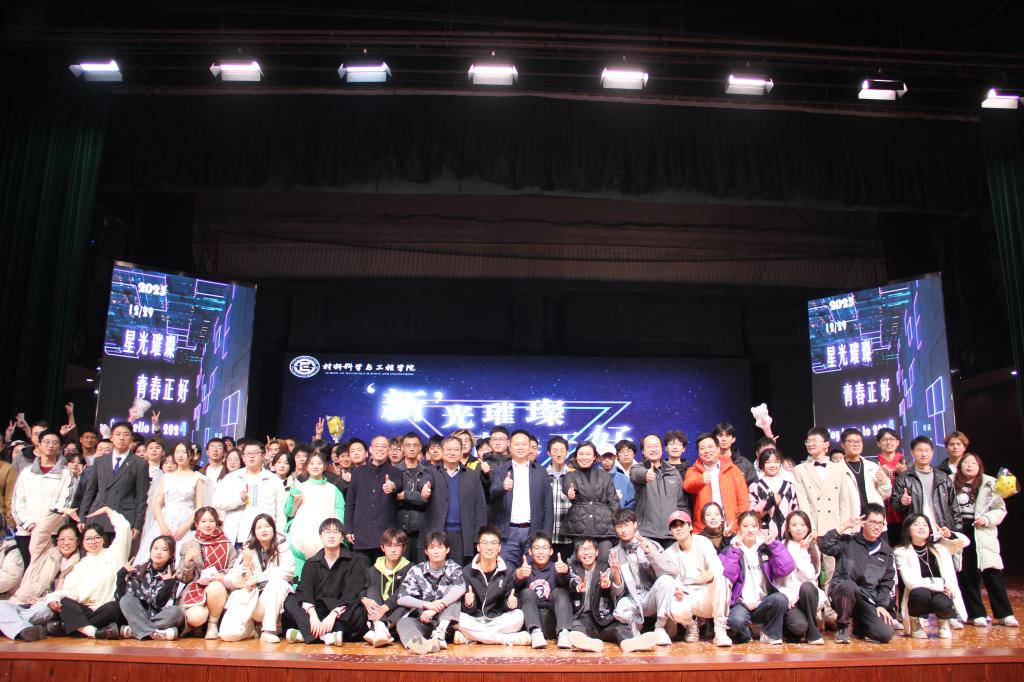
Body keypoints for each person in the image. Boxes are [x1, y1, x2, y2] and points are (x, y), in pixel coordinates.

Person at [792, 426, 858, 614]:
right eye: (808, 441)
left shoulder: (839, 468)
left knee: (832, 572)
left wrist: (843, 528)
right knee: (811, 572)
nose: (810, 444)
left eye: (815, 441)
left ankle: (831, 612)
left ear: (826, 445)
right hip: (812, 528)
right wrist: (809, 528)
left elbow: (844, 500)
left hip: (834, 528)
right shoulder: (800, 470)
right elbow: (802, 500)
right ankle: (813, 613)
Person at [44, 507, 132, 638]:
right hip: (85, 609)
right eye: (88, 539)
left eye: (97, 537)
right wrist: (52, 598)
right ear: (83, 542)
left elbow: (124, 528)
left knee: (115, 607)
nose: (92, 542)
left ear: (103, 539)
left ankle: (72, 628)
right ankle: (95, 632)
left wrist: (109, 511)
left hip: (105, 610)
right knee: (65, 603)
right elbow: (70, 593)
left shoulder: (114, 554)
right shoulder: (78, 566)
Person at [282, 517, 371, 645]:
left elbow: (352, 593)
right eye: (327, 532)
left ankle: (307, 634)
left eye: (335, 532)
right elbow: (304, 591)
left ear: (342, 537)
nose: (331, 535)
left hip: (341, 612)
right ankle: (329, 637)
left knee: (359, 612)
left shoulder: (355, 561)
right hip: (318, 611)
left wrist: (333, 615)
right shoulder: (311, 563)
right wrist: (313, 616)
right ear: (321, 536)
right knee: (290, 601)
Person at [952, 452, 1017, 627]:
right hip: (960, 531)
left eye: (974, 463)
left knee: (991, 572)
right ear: (960, 465)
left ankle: (1005, 614)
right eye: (966, 462)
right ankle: (976, 613)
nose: (970, 465)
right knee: (967, 573)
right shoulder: (950, 482)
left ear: (979, 466)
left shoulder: (990, 483)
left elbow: (1000, 509)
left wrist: (987, 519)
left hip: (982, 531)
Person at [819, 503, 896, 644]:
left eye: (880, 523)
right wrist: (843, 526)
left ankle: (860, 626)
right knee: (849, 586)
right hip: (842, 593)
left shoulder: (886, 551)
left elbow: (887, 581)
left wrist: (881, 605)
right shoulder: (848, 541)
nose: (877, 527)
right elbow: (825, 545)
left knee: (885, 634)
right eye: (873, 522)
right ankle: (842, 627)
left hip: (867, 598)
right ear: (863, 522)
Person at [218, 513, 295, 642]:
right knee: (227, 634)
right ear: (254, 532)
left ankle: (268, 631)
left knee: (278, 583)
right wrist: (246, 564)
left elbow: (288, 571)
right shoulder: (248, 549)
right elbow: (236, 581)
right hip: (248, 600)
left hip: (269, 602)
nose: (263, 530)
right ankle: (251, 630)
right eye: (259, 527)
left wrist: (259, 578)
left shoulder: (282, 546)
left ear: (273, 529)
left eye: (267, 526)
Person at [722, 511, 794, 644]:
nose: (750, 530)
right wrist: (734, 553)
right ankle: (746, 633)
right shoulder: (730, 550)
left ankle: (769, 633)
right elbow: (727, 577)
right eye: (745, 526)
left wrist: (775, 546)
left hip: (763, 602)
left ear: (759, 528)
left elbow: (786, 568)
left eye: (754, 526)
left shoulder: (766, 548)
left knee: (780, 599)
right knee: (736, 621)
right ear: (739, 528)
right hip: (741, 603)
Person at [608, 509, 677, 648]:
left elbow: (671, 571)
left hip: (651, 596)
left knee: (667, 581)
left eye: (626, 525)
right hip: (632, 598)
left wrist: (651, 554)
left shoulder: (650, 544)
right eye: (619, 527)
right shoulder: (614, 553)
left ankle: (660, 627)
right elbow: (617, 592)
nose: (623, 530)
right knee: (620, 612)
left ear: (635, 525)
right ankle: (635, 630)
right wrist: (615, 573)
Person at [0, 523, 81, 641]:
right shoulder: (42, 554)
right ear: (57, 541)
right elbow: (41, 531)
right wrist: (56, 513)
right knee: (1, 605)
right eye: (62, 539)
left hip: (45, 605)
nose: (66, 542)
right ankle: (24, 629)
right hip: (21, 601)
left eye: (70, 539)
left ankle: (13, 627)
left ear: (78, 542)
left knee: (43, 610)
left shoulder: (80, 565)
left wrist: (45, 599)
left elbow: (73, 593)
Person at [664, 510, 732, 646]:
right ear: (671, 531)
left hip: (707, 593)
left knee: (722, 580)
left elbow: (718, 566)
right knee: (673, 606)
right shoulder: (669, 553)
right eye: (674, 526)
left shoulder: (703, 542)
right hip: (688, 595)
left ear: (690, 526)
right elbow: (673, 579)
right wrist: (677, 589)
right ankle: (690, 625)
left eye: (682, 525)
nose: (678, 529)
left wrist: (711, 573)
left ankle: (720, 630)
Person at [893, 513, 967, 639]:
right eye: (916, 524)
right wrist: (941, 584)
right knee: (920, 593)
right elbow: (911, 582)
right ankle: (915, 624)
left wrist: (949, 535)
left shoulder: (941, 547)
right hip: (920, 594)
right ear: (908, 530)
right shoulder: (901, 552)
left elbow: (965, 542)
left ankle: (943, 623)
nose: (921, 527)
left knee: (943, 602)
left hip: (940, 593)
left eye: (925, 525)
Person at [79, 422, 151, 548]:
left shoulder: (140, 463)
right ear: (111, 438)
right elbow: (90, 491)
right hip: (98, 515)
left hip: (124, 516)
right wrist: (82, 517)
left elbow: (141, 497)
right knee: (95, 554)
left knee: (117, 557)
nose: (121, 438)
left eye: (126, 434)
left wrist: (137, 525)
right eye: (118, 434)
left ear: (131, 439)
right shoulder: (100, 461)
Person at [11, 429, 76, 566]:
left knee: (47, 572)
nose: (50, 446)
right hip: (26, 532)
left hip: (52, 532)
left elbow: (64, 504)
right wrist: (30, 525)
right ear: (39, 445)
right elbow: (17, 502)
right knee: (25, 571)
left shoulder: (66, 474)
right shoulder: (26, 472)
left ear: (60, 447)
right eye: (46, 442)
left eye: (55, 443)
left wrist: (43, 528)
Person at [455, 524, 527, 646]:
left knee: (518, 615)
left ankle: (472, 637)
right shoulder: (467, 571)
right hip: (474, 620)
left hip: (497, 620)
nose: (489, 547)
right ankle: (504, 639)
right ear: (478, 547)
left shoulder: (508, 570)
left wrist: (510, 604)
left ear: (499, 548)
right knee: (457, 617)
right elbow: (467, 609)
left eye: (493, 543)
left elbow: (508, 601)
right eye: (485, 543)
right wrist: (469, 604)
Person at [395, 531, 466, 655]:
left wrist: (436, 608)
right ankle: (420, 644)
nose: (436, 551)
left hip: (447, 624)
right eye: (432, 548)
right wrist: (426, 605)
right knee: (403, 622)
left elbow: (460, 588)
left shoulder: (453, 568)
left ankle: (439, 636)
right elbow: (402, 598)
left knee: (454, 593)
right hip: (424, 621)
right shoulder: (416, 570)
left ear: (447, 550)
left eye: (440, 547)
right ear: (426, 551)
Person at [490, 430, 554, 567]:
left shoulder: (540, 471)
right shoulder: (500, 470)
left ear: (530, 447)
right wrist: (502, 487)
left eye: (524, 444)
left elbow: (548, 506)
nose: (520, 447)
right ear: (509, 446)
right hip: (508, 533)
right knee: (506, 570)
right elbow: (492, 496)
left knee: (532, 570)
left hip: (534, 531)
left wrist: (546, 535)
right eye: (516, 444)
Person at [423, 436, 487, 565]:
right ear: (442, 451)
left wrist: (478, 538)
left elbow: (480, 508)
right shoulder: (430, 471)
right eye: (449, 449)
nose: (452, 453)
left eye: (456, 449)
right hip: (438, 534)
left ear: (461, 452)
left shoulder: (472, 475)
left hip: (464, 535)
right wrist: (424, 487)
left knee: (462, 571)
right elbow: (424, 481)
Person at [212, 440, 286, 547]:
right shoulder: (231, 478)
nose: (251, 456)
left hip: (264, 539)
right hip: (237, 537)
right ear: (243, 457)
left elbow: (281, 511)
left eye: (255, 453)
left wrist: (278, 536)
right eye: (248, 453)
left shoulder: (274, 480)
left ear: (263, 455)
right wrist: (238, 500)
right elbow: (216, 502)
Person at [138, 441, 203, 563]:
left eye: (184, 452)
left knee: (182, 556)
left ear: (191, 455)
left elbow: (199, 506)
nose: (180, 455)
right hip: (164, 520)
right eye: (177, 452)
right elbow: (157, 504)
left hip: (186, 520)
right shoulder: (166, 477)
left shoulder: (197, 478)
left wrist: (185, 527)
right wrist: (162, 526)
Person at [177, 507, 237, 639]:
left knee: (216, 587)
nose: (208, 525)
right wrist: (188, 561)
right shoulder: (189, 545)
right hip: (196, 588)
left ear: (217, 523)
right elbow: (183, 577)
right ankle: (198, 627)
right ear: (197, 524)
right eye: (203, 521)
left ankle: (213, 624)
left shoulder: (227, 545)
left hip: (220, 590)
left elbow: (234, 570)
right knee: (196, 617)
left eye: (211, 521)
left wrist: (223, 575)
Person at [562, 537, 630, 652]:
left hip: (604, 619)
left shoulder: (605, 567)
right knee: (576, 628)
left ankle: (630, 643)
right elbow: (571, 579)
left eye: (589, 548)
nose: (586, 552)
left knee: (621, 628)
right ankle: (588, 644)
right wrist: (576, 585)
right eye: (582, 549)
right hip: (583, 619)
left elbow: (612, 581)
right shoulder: (573, 568)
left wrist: (614, 575)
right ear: (577, 554)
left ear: (597, 552)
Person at [284, 451, 344, 577]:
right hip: (299, 542)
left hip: (327, 544)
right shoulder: (300, 487)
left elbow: (340, 517)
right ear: (306, 467)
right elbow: (289, 512)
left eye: (319, 463)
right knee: (299, 579)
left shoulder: (334, 490)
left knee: (325, 578)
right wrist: (293, 497)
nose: (315, 466)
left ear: (325, 466)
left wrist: (340, 539)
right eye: (311, 463)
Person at [345, 435, 402, 561]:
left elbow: (399, 485)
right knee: (361, 571)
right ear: (370, 449)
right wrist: (348, 529)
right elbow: (350, 502)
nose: (380, 449)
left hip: (386, 536)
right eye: (377, 446)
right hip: (361, 534)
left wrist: (392, 486)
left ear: (388, 450)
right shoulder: (358, 472)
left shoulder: (396, 472)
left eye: (384, 446)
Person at [117, 535, 184, 640]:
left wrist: (168, 584)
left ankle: (135, 631)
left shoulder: (172, 576)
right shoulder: (138, 570)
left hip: (158, 616)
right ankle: (154, 633)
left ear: (171, 554)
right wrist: (121, 574)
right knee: (125, 600)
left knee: (177, 612)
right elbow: (129, 599)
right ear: (151, 551)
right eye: (155, 548)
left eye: (164, 550)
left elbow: (162, 605)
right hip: (139, 614)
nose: (159, 552)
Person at [891, 436, 960, 537]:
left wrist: (957, 532)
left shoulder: (943, 477)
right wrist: (902, 502)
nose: (923, 454)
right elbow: (894, 505)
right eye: (919, 450)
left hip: (943, 530)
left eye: (927, 450)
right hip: (916, 532)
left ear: (932, 452)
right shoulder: (903, 478)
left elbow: (954, 506)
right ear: (912, 452)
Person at [514, 530, 573, 649]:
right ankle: (536, 632)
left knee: (561, 591)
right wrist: (518, 575)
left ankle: (564, 633)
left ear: (551, 551)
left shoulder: (557, 567)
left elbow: (564, 581)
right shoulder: (525, 569)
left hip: (554, 620)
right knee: (526, 592)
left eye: (545, 548)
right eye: (536, 548)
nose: (541, 551)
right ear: (530, 551)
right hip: (531, 622)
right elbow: (514, 584)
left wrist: (565, 571)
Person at [561, 442, 619, 561]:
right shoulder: (570, 475)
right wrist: (570, 492)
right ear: (576, 457)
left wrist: (618, 525)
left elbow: (613, 501)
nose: (584, 457)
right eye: (581, 454)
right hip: (581, 526)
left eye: (588, 454)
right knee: (583, 560)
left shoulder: (604, 475)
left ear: (594, 457)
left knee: (605, 559)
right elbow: (567, 487)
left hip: (604, 527)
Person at [631, 434, 688, 549]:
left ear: (662, 449)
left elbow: (682, 504)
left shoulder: (673, 473)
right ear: (643, 451)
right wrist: (645, 474)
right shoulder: (637, 468)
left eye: (656, 446)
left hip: (671, 533)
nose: (653, 449)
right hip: (647, 534)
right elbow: (635, 474)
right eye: (649, 446)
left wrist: (682, 525)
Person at [683, 433, 748, 534]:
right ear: (698, 452)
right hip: (703, 529)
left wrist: (740, 522)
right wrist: (700, 480)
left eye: (710, 447)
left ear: (718, 449)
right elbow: (688, 486)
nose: (707, 451)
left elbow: (743, 498)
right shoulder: (693, 470)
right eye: (702, 448)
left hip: (730, 527)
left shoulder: (732, 469)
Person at [777, 510, 825, 644]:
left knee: (807, 587)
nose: (799, 528)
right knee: (798, 626)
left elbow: (810, 575)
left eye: (803, 525)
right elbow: (778, 581)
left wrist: (803, 551)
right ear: (788, 528)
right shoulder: (782, 546)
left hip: (807, 596)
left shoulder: (813, 546)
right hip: (790, 599)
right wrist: (788, 597)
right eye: (794, 525)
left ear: (808, 527)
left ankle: (812, 631)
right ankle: (792, 627)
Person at [361, 528, 413, 646]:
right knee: (371, 590)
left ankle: (378, 629)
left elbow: (403, 591)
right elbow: (361, 589)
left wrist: (385, 607)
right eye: (389, 546)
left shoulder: (410, 568)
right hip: (377, 610)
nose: (393, 550)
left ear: (404, 548)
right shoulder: (372, 570)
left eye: (397, 545)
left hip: (395, 612)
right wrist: (364, 599)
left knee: (406, 601)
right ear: (382, 548)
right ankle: (381, 627)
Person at [839, 429, 892, 517]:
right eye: (851, 441)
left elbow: (887, 494)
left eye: (858, 441)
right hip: (851, 519)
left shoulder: (873, 467)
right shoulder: (836, 469)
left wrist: (882, 482)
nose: (856, 444)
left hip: (874, 519)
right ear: (842, 444)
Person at [396, 433, 432, 561]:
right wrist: (417, 496)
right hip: (398, 531)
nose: (411, 449)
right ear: (402, 448)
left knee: (422, 569)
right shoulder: (394, 471)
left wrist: (404, 495)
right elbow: (392, 497)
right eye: (408, 445)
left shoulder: (428, 471)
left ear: (420, 448)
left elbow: (426, 499)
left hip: (422, 531)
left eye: (415, 445)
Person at [749, 447, 798, 540]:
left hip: (787, 537)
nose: (772, 465)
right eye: (768, 462)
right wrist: (768, 503)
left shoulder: (789, 486)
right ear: (761, 464)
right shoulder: (755, 487)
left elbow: (795, 510)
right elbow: (752, 515)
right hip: (763, 537)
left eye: (776, 462)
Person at [545, 436, 573, 560]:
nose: (559, 454)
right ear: (548, 453)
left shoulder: (574, 475)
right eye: (555, 450)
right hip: (547, 536)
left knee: (567, 570)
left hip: (568, 535)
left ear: (567, 452)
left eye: (562, 450)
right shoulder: (542, 475)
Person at [713, 422, 757, 486]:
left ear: (733, 439)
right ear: (714, 439)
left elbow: (754, 485)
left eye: (727, 436)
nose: (724, 439)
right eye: (720, 436)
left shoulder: (744, 463)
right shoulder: (709, 462)